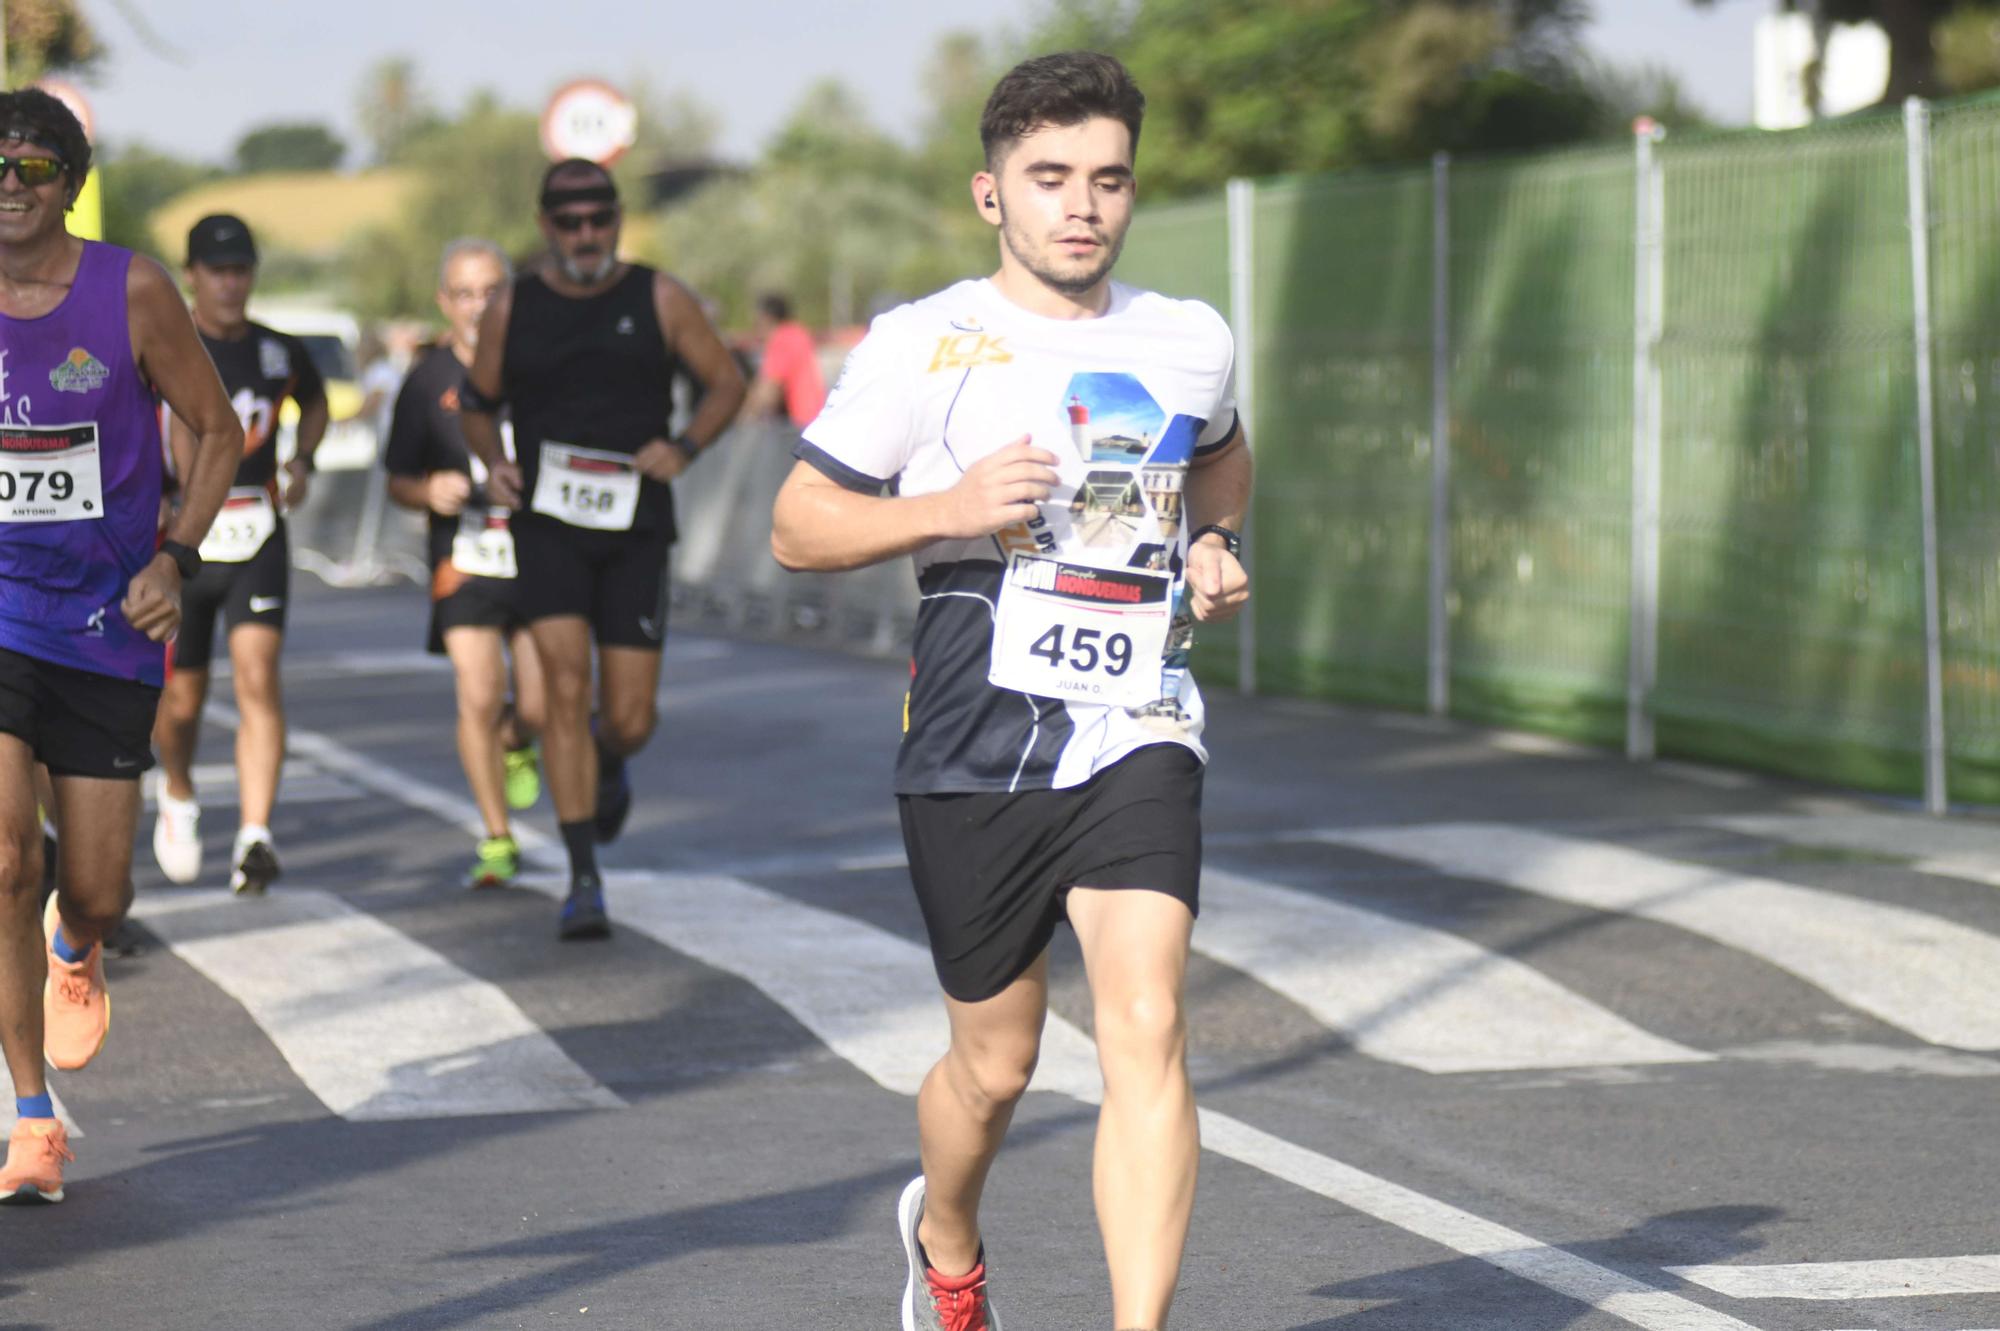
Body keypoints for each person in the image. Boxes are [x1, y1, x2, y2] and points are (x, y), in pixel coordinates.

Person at [771, 52, 1252, 1331]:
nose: (1079, 206)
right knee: (993, 1067)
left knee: (1144, 1018)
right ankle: (943, 1230)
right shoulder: (925, 342)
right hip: (974, 739)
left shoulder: (1187, 338)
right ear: (993, 195)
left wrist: (1215, 545)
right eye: (1049, 179)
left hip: (1137, 720)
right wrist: (947, 506)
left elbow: (1220, 461)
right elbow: (797, 523)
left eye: (1105, 180)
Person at [0, 87, 242, 1202]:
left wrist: (174, 557)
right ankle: (33, 1112)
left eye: (33, 166)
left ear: (69, 180)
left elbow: (217, 428)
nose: (10, 183)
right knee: (5, 855)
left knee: (95, 885)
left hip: (105, 615)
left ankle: (76, 942)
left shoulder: (130, 288)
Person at [462, 159, 745, 939]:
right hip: (547, 524)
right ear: (547, 226)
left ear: (617, 220)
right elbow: (478, 405)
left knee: (627, 717)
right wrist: (495, 462)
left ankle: (610, 757)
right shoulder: (513, 306)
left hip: (636, 529)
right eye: (570, 221)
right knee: (559, 686)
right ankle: (583, 875)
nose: (586, 235)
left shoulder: (658, 296)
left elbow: (726, 382)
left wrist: (682, 446)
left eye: (600, 219)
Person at [148, 214, 329, 895]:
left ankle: (256, 833)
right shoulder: (167, 345)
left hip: (256, 526)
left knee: (258, 676)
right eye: (217, 271)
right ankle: (179, 786)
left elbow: (313, 404)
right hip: (184, 536)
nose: (231, 284)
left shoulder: (278, 351)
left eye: (241, 270)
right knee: (184, 700)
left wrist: (302, 459)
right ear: (192, 274)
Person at [383, 238, 544, 888]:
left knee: (541, 700)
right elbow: (396, 476)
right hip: (464, 554)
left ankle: (518, 737)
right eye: (465, 293)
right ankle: (497, 836)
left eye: (491, 291)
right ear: (443, 302)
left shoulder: (537, 363)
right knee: (477, 692)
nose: (479, 306)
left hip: (535, 549)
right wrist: (428, 491)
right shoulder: (427, 379)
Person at [741, 292, 825, 431]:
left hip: (797, 425)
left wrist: (740, 421)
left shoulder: (781, 339)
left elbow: (768, 390)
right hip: (814, 420)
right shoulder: (798, 332)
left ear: (766, 318)